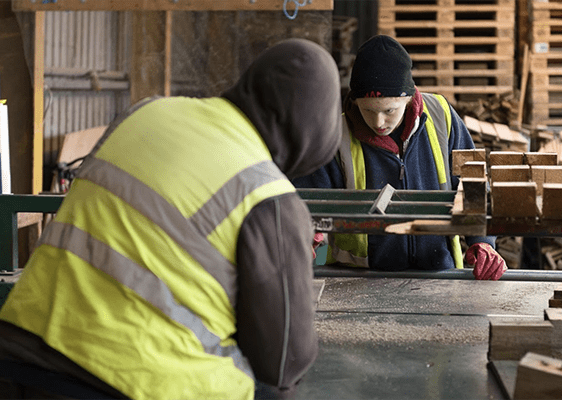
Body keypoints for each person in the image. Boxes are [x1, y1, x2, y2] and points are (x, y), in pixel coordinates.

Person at [0, 38, 342, 399]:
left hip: (19, 354)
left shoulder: (144, 113)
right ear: (310, 135)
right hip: (130, 383)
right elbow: (284, 359)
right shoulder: (267, 194)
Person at [293, 35, 506, 281]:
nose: (378, 122)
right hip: (360, 280)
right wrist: (305, 237)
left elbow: (473, 183)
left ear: (408, 97)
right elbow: (307, 200)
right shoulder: (335, 135)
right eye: (368, 110)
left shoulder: (441, 116)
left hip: (439, 274)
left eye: (389, 110)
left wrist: (483, 242)